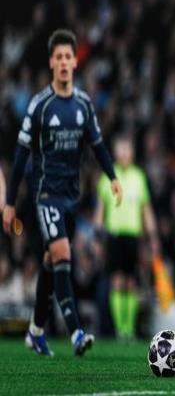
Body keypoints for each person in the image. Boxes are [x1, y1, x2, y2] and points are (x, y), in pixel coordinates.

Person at [2, 29, 123, 357]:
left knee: (51, 261)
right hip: (46, 195)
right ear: (52, 63)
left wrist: (113, 176)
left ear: (75, 62)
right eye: (59, 57)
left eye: (69, 56)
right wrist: (10, 202)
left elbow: (98, 145)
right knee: (63, 254)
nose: (65, 62)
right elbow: (20, 155)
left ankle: (35, 331)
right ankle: (76, 332)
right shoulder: (40, 105)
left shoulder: (83, 104)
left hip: (71, 197)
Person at [94, 134, 160, 340]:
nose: (124, 153)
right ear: (115, 152)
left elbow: (146, 209)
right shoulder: (108, 176)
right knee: (116, 281)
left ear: (132, 152)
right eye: (120, 149)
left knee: (132, 282)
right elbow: (100, 209)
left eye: (127, 149)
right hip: (114, 235)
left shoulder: (138, 176)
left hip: (133, 235)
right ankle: (120, 329)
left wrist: (153, 236)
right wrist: (97, 237)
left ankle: (129, 329)